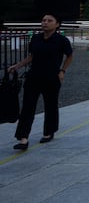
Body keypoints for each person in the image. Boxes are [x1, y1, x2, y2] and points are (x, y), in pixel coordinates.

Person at [8, 13, 74, 150]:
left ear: (57, 24)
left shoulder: (61, 40)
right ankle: (23, 138)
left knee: (50, 105)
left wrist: (62, 71)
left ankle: (49, 131)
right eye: (43, 20)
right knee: (27, 107)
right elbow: (32, 56)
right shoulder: (36, 38)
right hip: (33, 76)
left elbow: (69, 55)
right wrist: (17, 66)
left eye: (49, 20)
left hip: (52, 77)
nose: (45, 23)